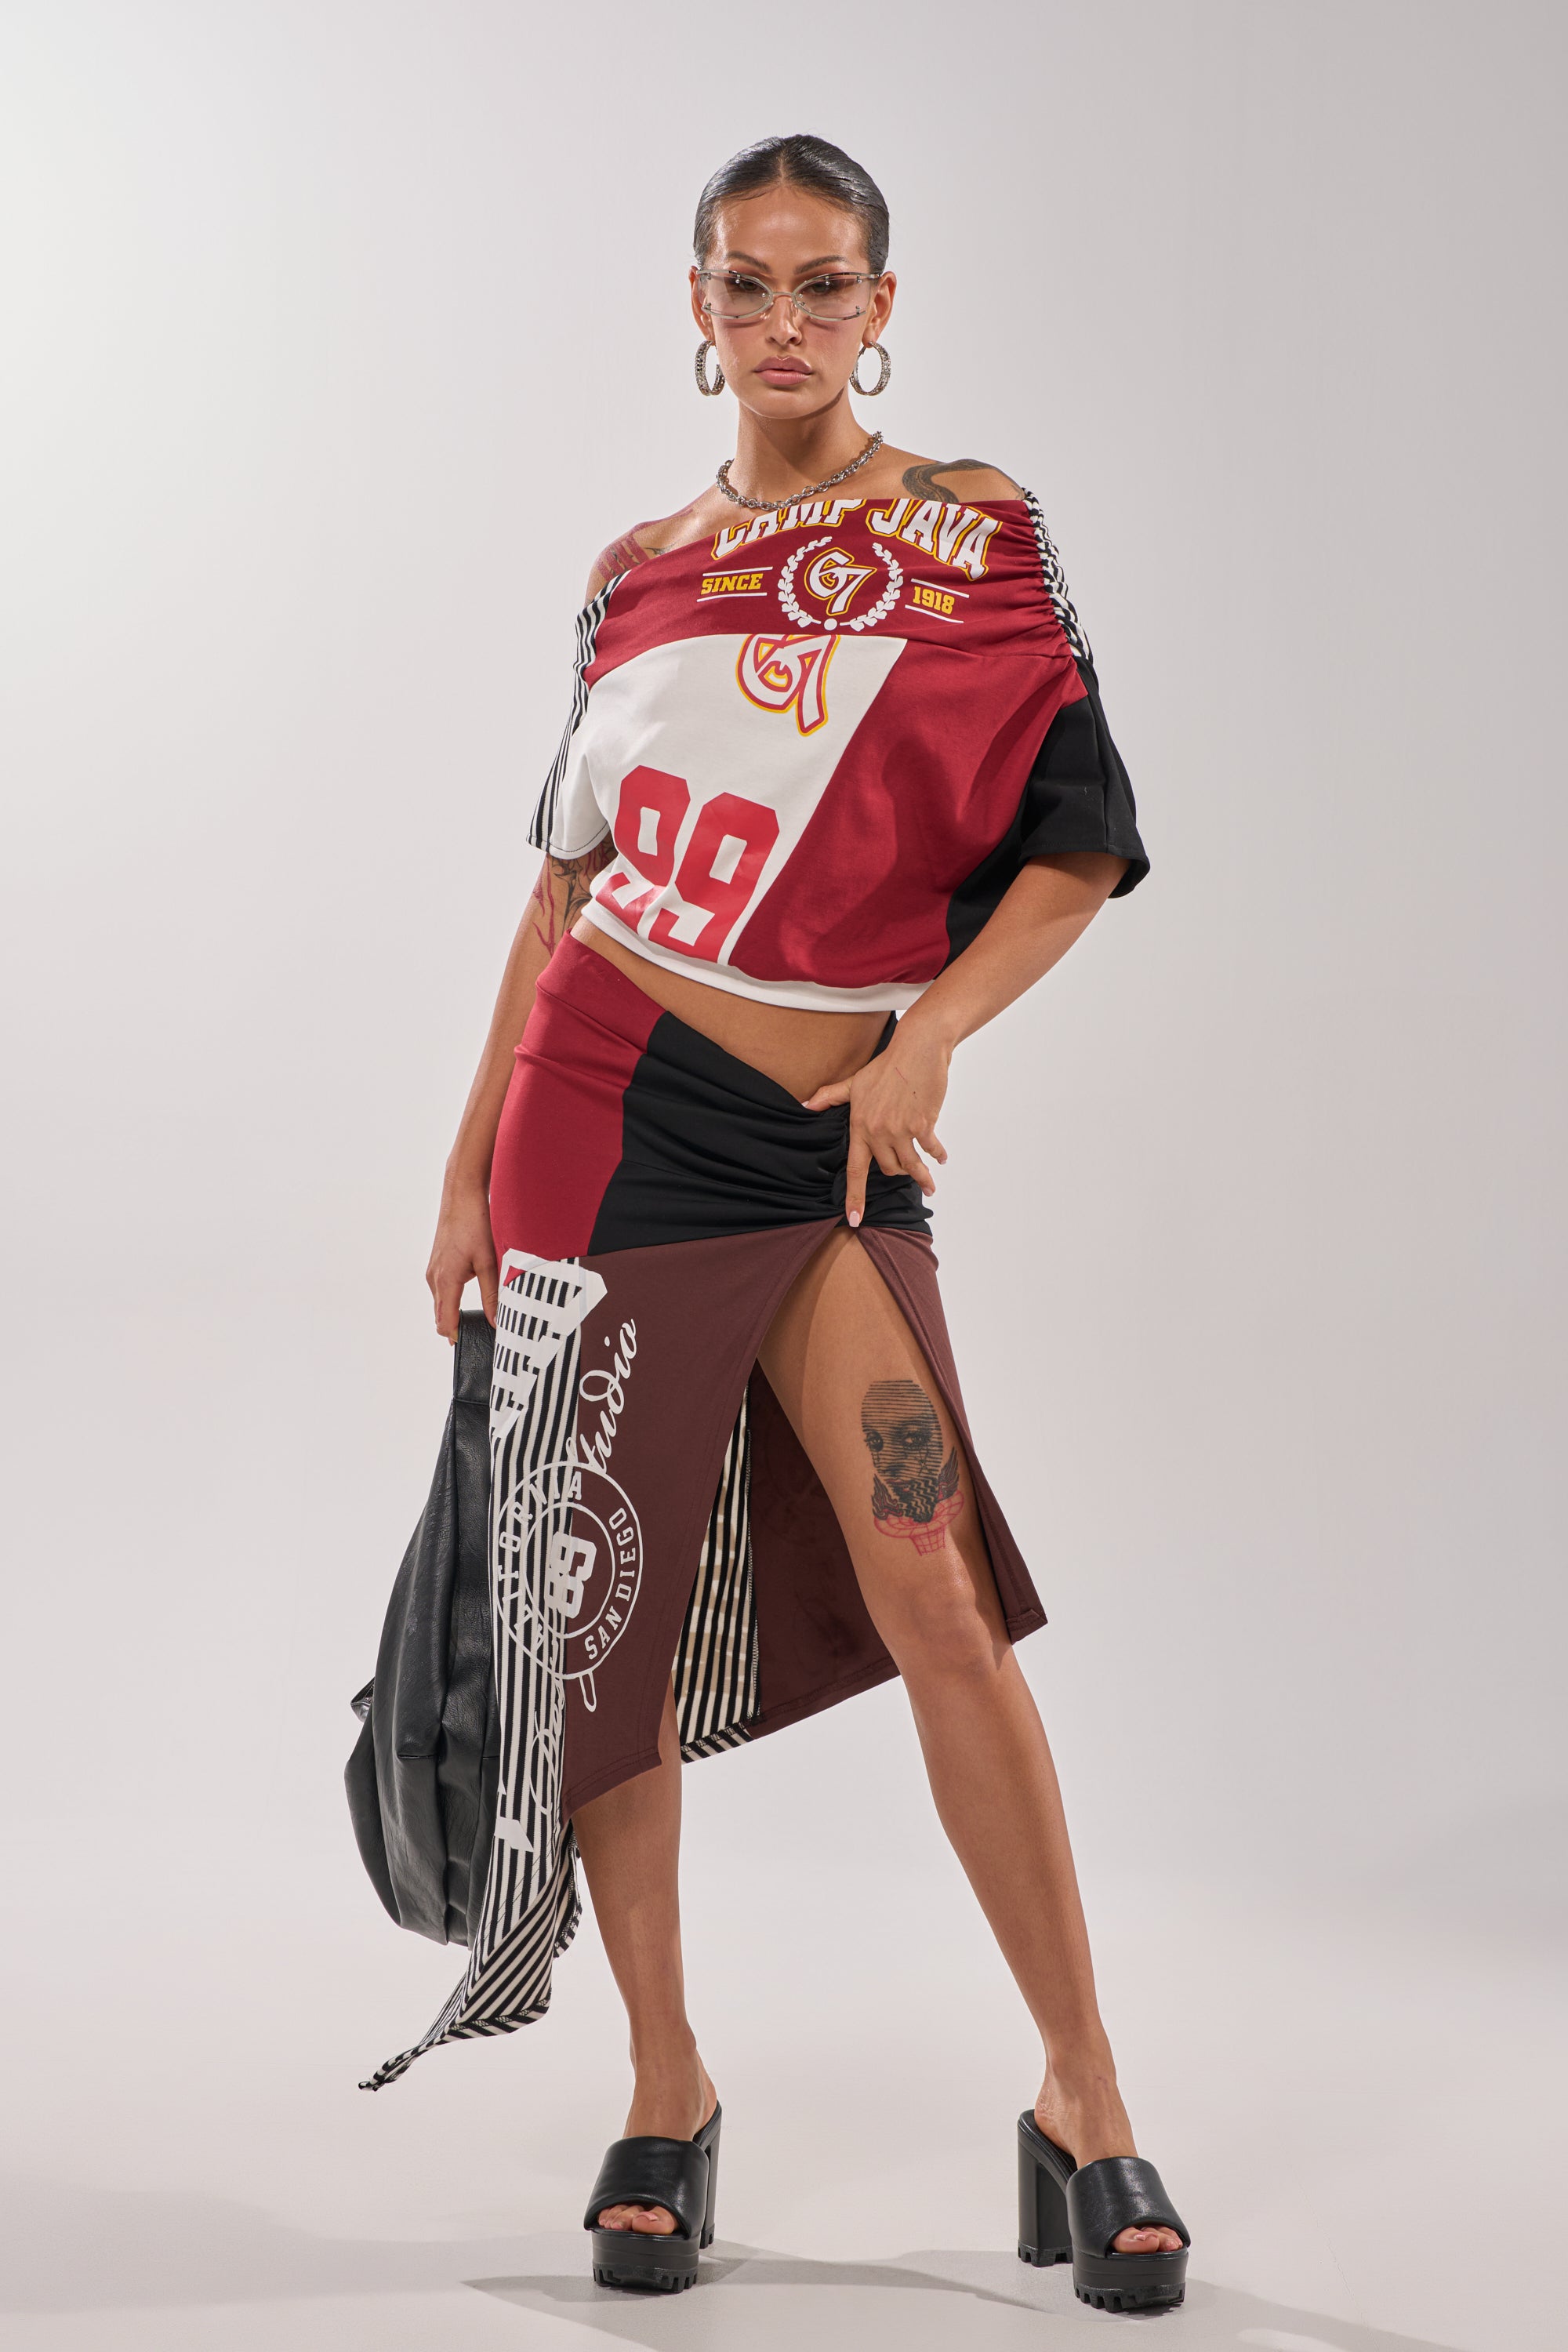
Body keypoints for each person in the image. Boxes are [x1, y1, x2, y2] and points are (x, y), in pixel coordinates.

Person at [403, 132, 1189, 2313]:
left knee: (931, 1572)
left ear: (883, 303)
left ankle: (1087, 2101)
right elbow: (565, 887)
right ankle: (661, 2090)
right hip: (599, 1111)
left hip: (827, 1133)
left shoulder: (977, 537)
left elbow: (1079, 837)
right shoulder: (634, 566)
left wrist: (929, 1044)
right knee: (603, 1621)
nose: (780, 327)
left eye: (820, 287)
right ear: (693, 308)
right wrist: (469, 1156)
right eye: (742, 289)